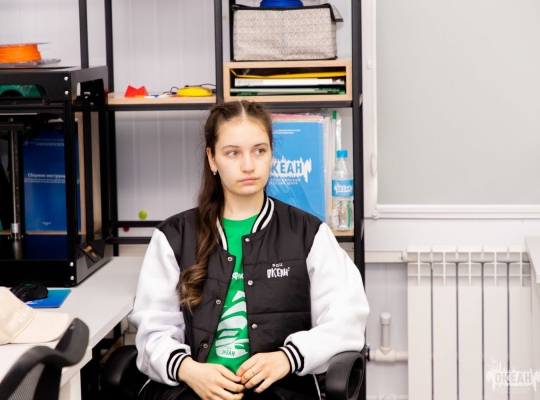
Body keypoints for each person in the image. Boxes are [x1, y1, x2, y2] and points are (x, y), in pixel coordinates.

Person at [129, 100, 369, 400]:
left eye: (259, 151)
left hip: (280, 392)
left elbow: (347, 320)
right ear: (212, 159)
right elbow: (153, 329)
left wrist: (287, 358)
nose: (248, 165)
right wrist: (189, 370)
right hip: (193, 390)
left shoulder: (309, 234)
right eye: (233, 153)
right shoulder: (174, 236)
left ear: (271, 155)